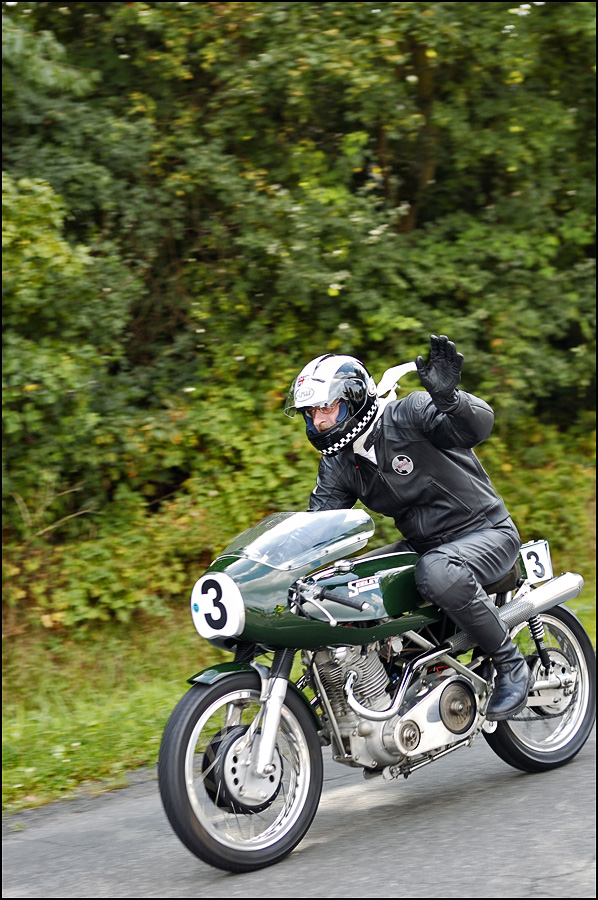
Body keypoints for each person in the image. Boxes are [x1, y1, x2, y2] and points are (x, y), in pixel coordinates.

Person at [284, 335, 532, 721]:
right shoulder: (338, 462)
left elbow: (477, 428)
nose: (317, 421)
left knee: (437, 570)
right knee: (341, 583)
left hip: (485, 532)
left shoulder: (409, 413)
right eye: (311, 412)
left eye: (326, 408)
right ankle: (391, 678)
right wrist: (275, 570)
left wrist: (450, 399)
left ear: (353, 399)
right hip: (424, 545)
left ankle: (511, 665)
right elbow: (319, 528)